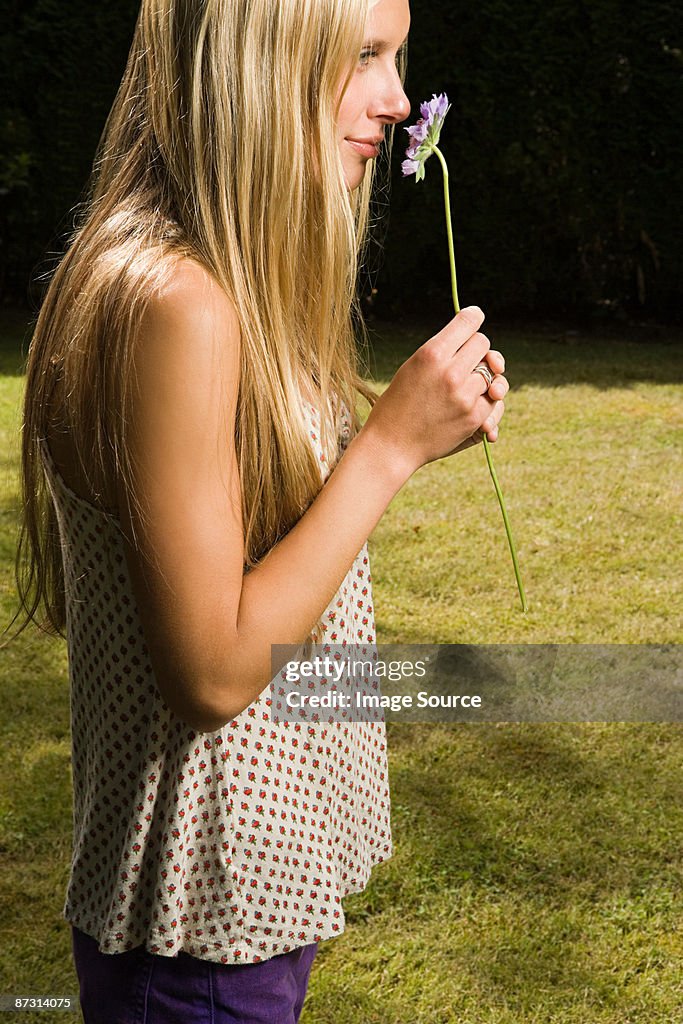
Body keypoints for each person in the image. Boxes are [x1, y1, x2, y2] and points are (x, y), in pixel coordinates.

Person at [8, 0, 508, 1020]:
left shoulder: (211, 284)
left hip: (237, 909)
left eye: (397, 54)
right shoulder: (175, 306)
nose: (398, 97)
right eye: (363, 54)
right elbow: (212, 668)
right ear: (256, 62)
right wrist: (387, 448)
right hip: (198, 932)